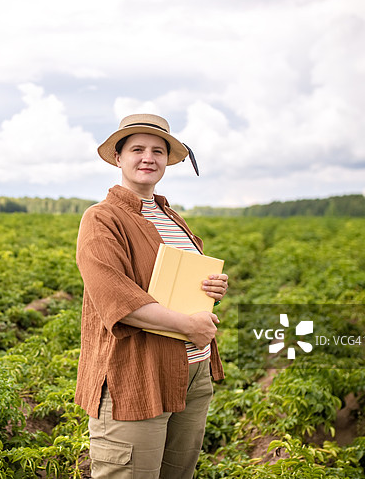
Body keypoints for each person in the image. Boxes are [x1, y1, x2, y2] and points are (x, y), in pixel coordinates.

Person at [75, 114, 229, 478]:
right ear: (118, 157)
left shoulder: (171, 217)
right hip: (136, 373)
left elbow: (177, 286)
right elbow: (116, 300)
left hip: (192, 372)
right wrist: (189, 326)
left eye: (158, 151)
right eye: (138, 149)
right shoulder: (102, 218)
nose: (149, 157)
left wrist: (212, 292)